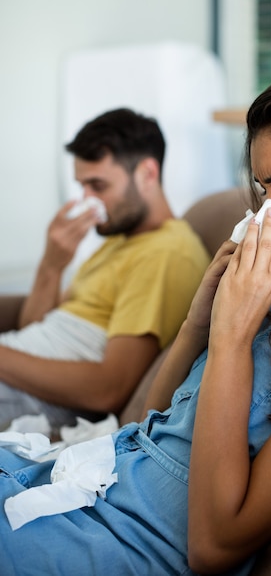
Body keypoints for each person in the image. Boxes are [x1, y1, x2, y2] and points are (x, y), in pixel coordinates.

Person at [1, 63, 271, 575]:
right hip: (84, 490)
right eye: (265, 191)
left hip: (115, 538)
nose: (270, 215)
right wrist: (200, 323)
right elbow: (146, 428)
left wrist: (231, 337)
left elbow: (215, 545)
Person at [0, 108, 210, 431]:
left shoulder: (167, 253)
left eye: (98, 185)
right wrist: (52, 264)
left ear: (147, 174)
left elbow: (108, 389)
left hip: (29, 397)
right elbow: (35, 327)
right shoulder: (120, 238)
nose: (86, 200)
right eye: (82, 186)